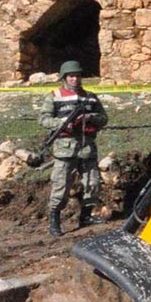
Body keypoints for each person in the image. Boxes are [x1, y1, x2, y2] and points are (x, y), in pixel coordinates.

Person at [39, 60, 107, 236]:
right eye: (71, 76)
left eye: (77, 75)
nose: (75, 79)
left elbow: (104, 118)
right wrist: (61, 123)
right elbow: (44, 119)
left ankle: (86, 216)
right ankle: (54, 221)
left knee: (92, 183)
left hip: (87, 147)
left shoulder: (90, 96)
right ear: (64, 78)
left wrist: (90, 118)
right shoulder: (54, 96)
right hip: (64, 148)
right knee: (61, 186)